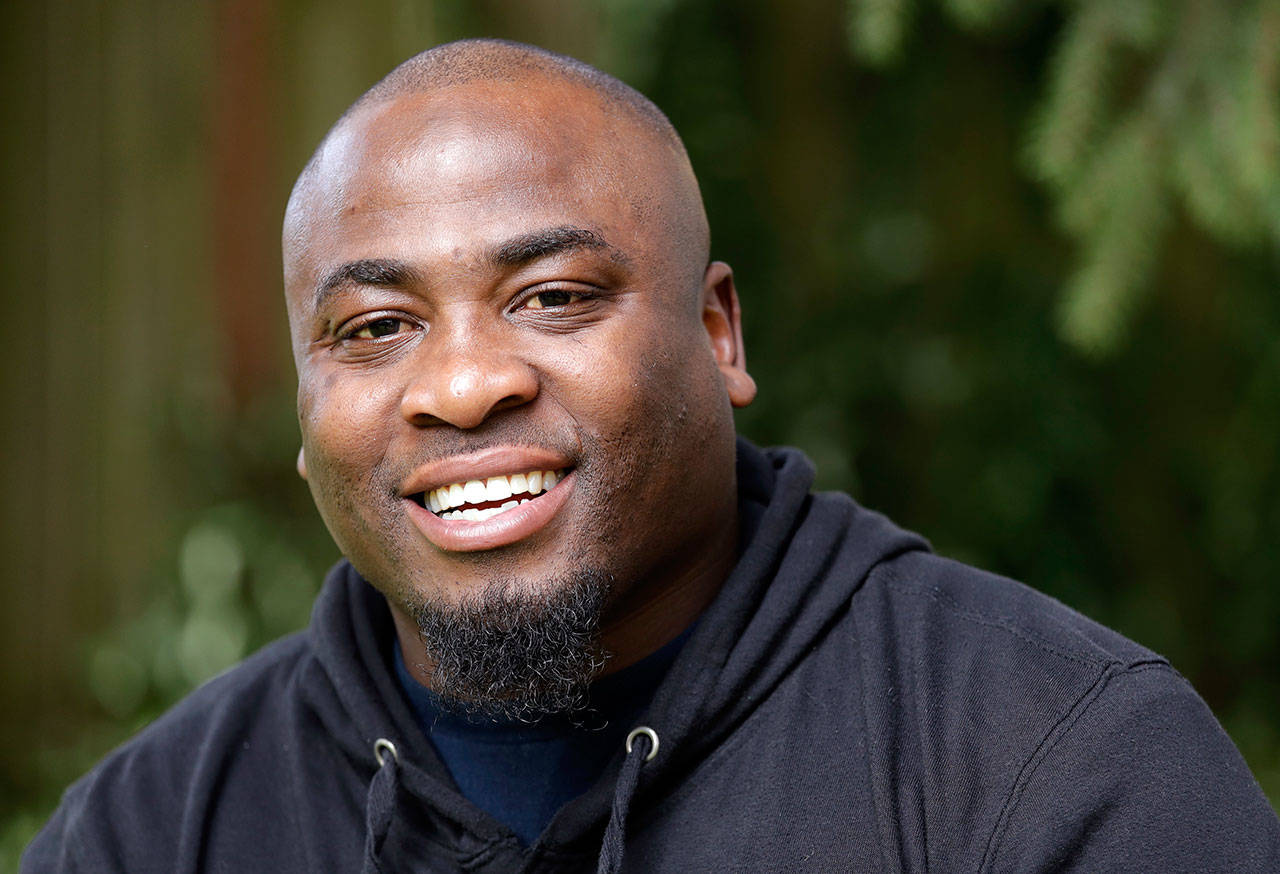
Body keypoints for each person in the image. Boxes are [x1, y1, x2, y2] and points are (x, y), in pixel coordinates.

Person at [24, 38, 1280, 874]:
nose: (462, 385)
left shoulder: (1052, 767)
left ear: (717, 332)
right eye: (376, 328)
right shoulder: (154, 831)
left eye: (554, 297)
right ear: (306, 419)